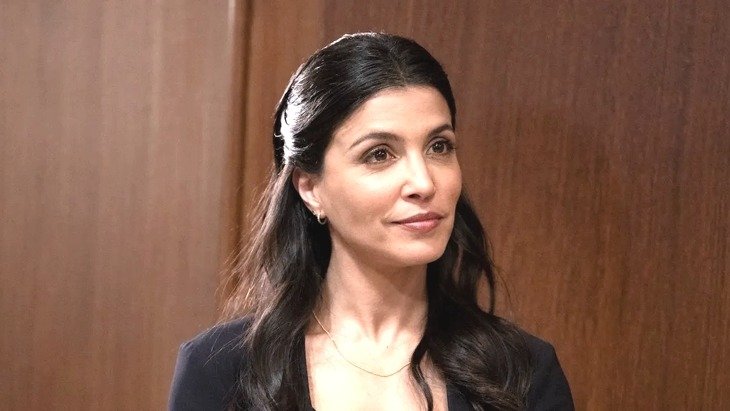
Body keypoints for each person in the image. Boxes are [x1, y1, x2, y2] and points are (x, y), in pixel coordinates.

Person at [169, 32, 574, 411]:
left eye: (439, 146)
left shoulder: (524, 373)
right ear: (310, 188)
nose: (423, 182)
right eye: (379, 154)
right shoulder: (218, 372)